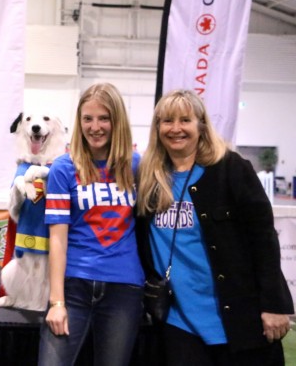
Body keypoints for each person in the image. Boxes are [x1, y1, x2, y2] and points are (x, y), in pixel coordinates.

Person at [136, 89, 294, 365]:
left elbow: (264, 240)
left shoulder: (231, 169)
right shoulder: (149, 179)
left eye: (185, 120)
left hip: (239, 318)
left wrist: (274, 304)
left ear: (201, 125)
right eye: (167, 121)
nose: (175, 129)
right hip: (179, 323)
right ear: (157, 127)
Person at [38, 82, 144, 366]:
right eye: (88, 118)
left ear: (116, 121)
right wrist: (56, 302)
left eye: (104, 118)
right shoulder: (64, 168)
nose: (95, 126)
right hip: (73, 286)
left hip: (124, 288)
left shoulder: (137, 166)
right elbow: (57, 239)